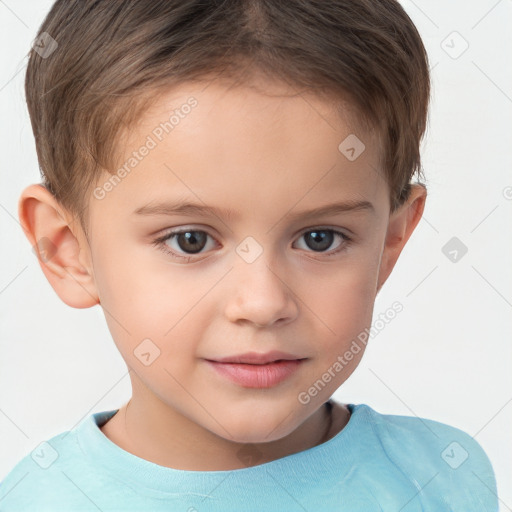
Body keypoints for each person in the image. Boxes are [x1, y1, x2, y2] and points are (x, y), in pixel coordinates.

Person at [0, 0, 498, 510]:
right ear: (67, 249)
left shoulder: (446, 478)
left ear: (390, 242)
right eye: (189, 240)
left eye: (320, 238)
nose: (262, 303)